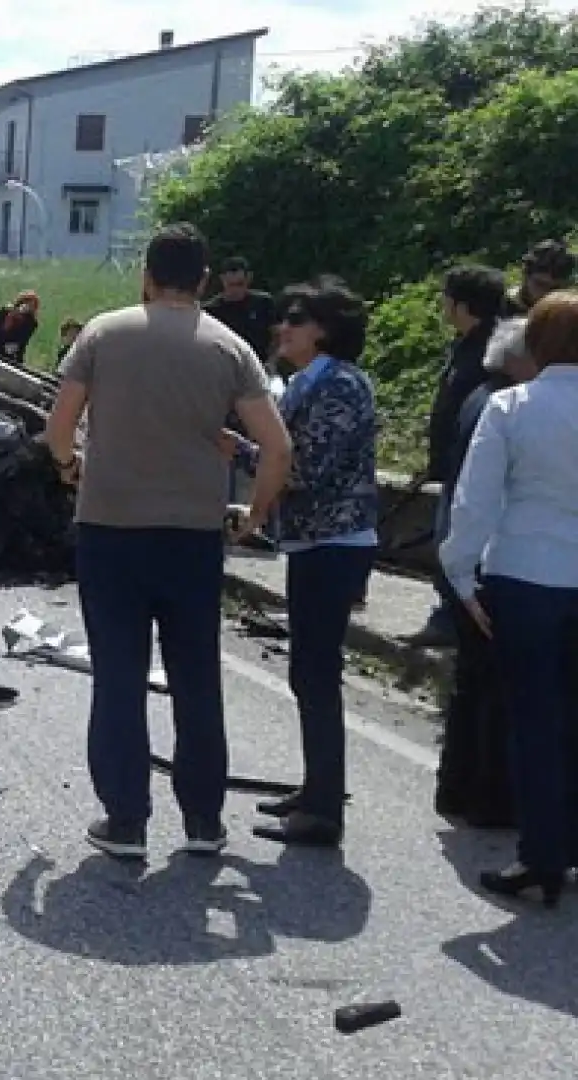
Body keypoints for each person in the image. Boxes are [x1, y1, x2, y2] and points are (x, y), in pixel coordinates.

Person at [43, 223, 291, 860]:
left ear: (146, 276)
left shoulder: (102, 334)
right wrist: (255, 515)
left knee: (119, 677)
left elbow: (59, 426)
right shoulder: (231, 347)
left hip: (110, 530)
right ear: (205, 281)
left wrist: (72, 470)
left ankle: (126, 820)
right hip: (192, 535)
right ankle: (204, 821)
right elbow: (278, 446)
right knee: (196, 677)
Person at [220, 277, 379, 847]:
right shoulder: (304, 383)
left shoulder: (341, 386)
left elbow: (305, 468)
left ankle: (324, 809)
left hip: (334, 544)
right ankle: (316, 791)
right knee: (307, 670)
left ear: (326, 331)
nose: (281, 328)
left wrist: (237, 450)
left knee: (316, 671)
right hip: (314, 542)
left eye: (296, 320)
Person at [439, 290, 578, 907]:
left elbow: (475, 502)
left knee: (536, 721)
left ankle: (543, 855)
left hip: (524, 573)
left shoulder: (511, 406)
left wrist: (461, 574)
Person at [434, 317, 538, 828]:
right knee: (492, 688)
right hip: (489, 561)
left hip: (470, 558)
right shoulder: (502, 407)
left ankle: (458, 788)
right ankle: (489, 797)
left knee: (472, 684)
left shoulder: (482, 395)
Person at [406, 264, 508, 649]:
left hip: (471, 464)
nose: (442, 303)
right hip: (453, 463)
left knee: (457, 543)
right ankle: (448, 616)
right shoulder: (465, 345)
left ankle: (454, 621)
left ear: (462, 304)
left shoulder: (490, 353)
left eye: (447, 296)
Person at [203, 256, 279, 363]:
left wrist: (272, 362)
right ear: (222, 280)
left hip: (260, 365)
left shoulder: (263, 303)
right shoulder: (211, 310)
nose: (235, 290)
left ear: (249, 278)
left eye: (239, 284)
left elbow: (276, 337)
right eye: (230, 285)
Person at [502, 238, 574, 317]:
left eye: (554, 288)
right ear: (526, 276)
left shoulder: (567, 314)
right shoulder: (500, 306)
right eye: (540, 285)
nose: (546, 293)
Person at [0, 291, 40, 363]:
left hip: (7, 353)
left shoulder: (31, 323)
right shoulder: (5, 311)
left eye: (31, 306)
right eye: (26, 303)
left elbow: (23, 341)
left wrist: (16, 352)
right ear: (21, 302)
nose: (27, 307)